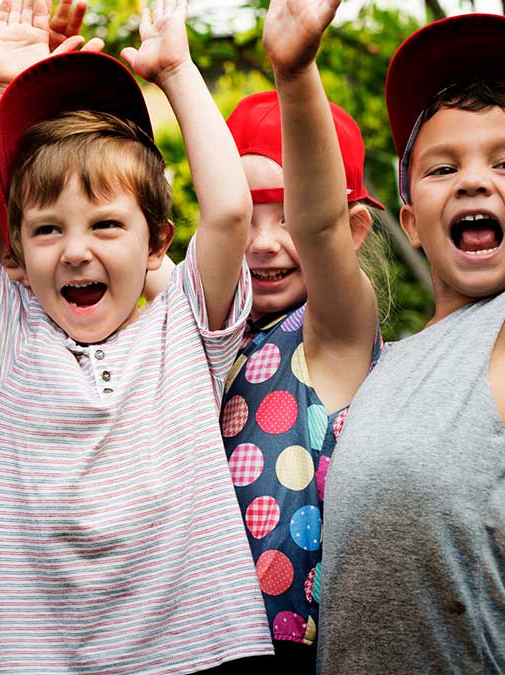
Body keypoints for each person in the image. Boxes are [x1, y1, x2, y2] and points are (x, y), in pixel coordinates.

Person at [0, 1, 273, 672]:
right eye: (49, 229)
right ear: (14, 255)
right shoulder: (13, 337)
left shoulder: (185, 330)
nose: (76, 250)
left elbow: (228, 210)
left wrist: (177, 71)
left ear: (157, 244)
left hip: (200, 652)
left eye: (106, 225)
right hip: (43, 658)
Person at [318, 13, 505, 674]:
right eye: (444, 166)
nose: (475, 180)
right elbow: (318, 229)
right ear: (411, 223)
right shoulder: (386, 363)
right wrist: (295, 73)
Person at [215, 1, 386, 671]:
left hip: (294, 647)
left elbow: (319, 229)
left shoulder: (332, 330)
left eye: (284, 214)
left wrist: (296, 73)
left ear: (355, 231)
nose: (262, 243)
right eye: (245, 216)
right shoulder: (207, 325)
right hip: (200, 636)